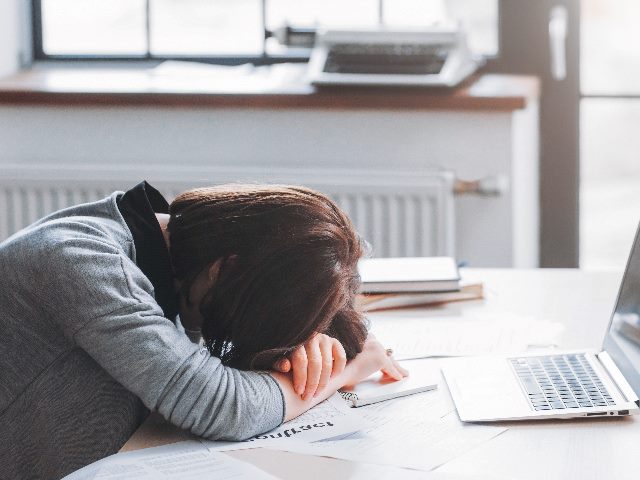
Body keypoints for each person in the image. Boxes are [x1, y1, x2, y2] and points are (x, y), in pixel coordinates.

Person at [0, 181, 406, 479]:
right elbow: (220, 404)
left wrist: (314, 345)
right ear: (224, 269)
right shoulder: (82, 262)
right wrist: (342, 373)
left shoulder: (176, 262)